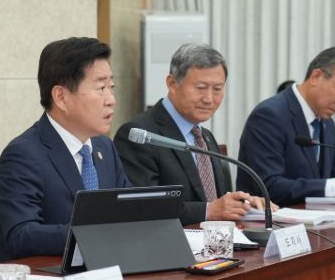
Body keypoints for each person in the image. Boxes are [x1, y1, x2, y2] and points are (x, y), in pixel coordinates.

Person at [0, 37, 131, 261]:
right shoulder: (23, 154)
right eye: (101, 88)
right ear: (61, 97)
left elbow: (127, 210)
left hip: (107, 269)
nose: (111, 100)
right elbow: (19, 235)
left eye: (111, 87)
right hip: (50, 276)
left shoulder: (104, 147)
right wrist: (92, 235)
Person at [114, 43, 270, 225]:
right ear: (172, 84)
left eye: (217, 89)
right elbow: (143, 207)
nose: (209, 98)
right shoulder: (140, 135)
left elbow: (216, 201)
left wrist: (244, 205)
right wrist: (209, 210)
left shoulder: (206, 136)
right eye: (201, 87)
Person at [237, 46, 335, 206]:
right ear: (316, 76)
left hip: (317, 218)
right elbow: (268, 187)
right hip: (271, 219)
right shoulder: (269, 115)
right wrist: (334, 187)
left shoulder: (326, 122)